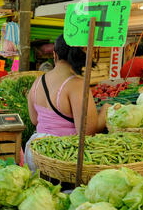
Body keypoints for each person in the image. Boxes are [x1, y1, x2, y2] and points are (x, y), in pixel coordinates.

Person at [24, 34, 110, 172]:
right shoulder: (77, 85)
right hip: (62, 157)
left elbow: (35, 120)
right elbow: (87, 131)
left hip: (36, 152)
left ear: (54, 54)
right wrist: (105, 111)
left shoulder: (37, 82)